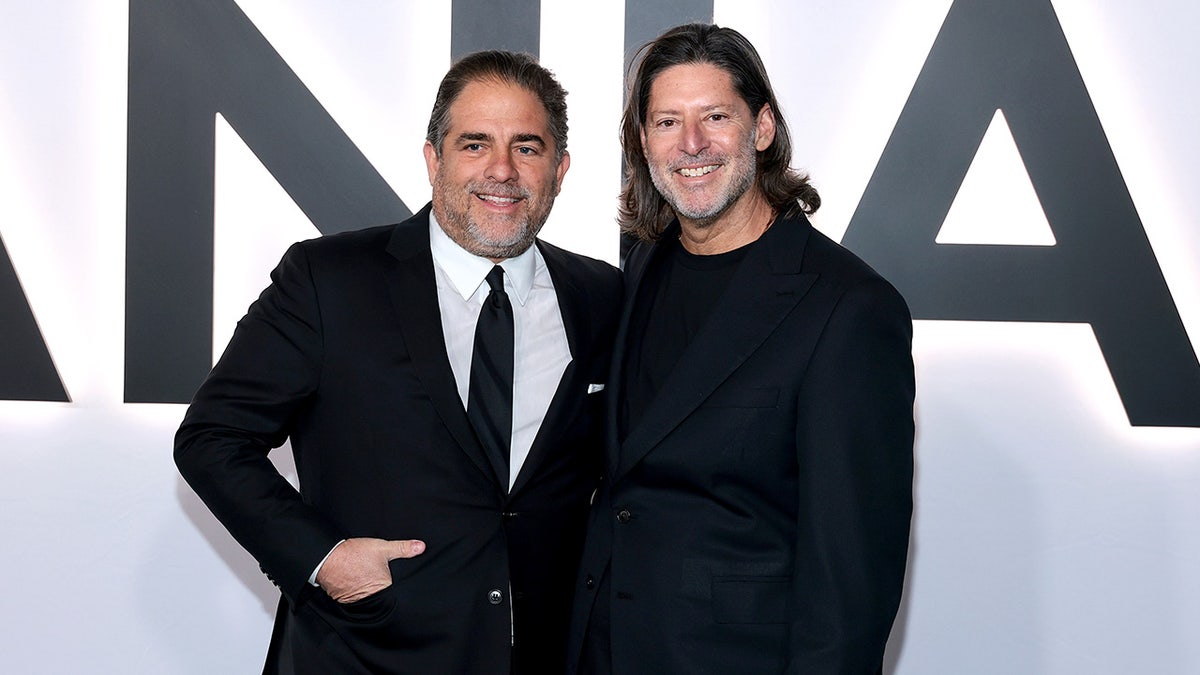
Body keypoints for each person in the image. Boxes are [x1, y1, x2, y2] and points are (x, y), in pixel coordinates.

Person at [175, 50, 621, 674]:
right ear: (434, 159)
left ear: (560, 168)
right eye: (474, 144)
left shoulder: (602, 296)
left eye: (527, 147)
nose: (502, 170)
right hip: (363, 654)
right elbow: (212, 438)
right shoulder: (328, 281)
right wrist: (322, 559)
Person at [567, 23, 915, 675]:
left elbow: (851, 583)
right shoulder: (639, 269)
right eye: (667, 122)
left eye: (715, 117)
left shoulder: (849, 309)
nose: (691, 143)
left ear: (762, 128)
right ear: (643, 142)